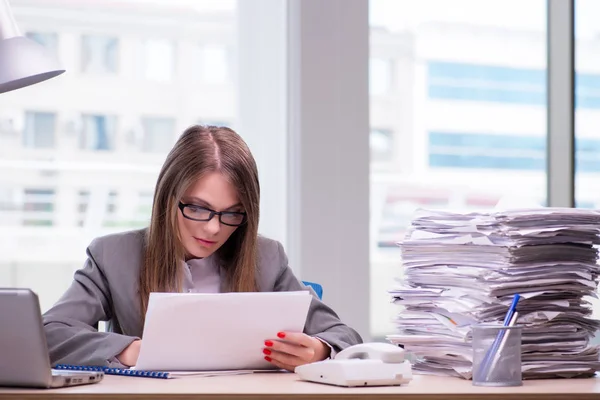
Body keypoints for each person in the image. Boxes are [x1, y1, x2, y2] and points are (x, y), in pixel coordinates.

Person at [43, 125, 362, 372]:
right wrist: (132, 350)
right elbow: (49, 333)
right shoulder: (113, 256)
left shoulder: (267, 258)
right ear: (168, 198)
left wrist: (318, 350)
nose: (213, 228)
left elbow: (344, 336)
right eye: (197, 208)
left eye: (231, 213)